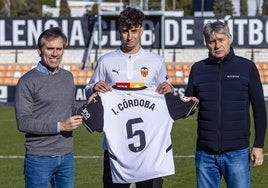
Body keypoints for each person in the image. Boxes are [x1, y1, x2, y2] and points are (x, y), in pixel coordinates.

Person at [85, 7, 174, 188]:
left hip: (150, 146)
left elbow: (165, 90)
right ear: (119, 30)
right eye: (125, 31)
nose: (129, 36)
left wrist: (169, 87)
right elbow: (89, 89)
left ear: (141, 30)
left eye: (134, 31)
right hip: (115, 144)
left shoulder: (156, 61)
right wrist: (94, 87)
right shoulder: (106, 61)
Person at [185, 20, 267, 188]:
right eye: (212, 41)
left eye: (221, 40)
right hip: (205, 154)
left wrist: (258, 145)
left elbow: (259, 110)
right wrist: (188, 105)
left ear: (230, 38)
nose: (217, 45)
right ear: (206, 43)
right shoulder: (198, 69)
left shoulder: (247, 68)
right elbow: (188, 106)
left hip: (237, 153)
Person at [15, 27, 83, 188]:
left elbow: (72, 108)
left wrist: (90, 104)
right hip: (39, 159)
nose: (55, 53)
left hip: (66, 157)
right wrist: (60, 126)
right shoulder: (27, 81)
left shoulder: (67, 77)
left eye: (59, 49)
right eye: (50, 48)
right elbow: (23, 122)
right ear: (39, 50)